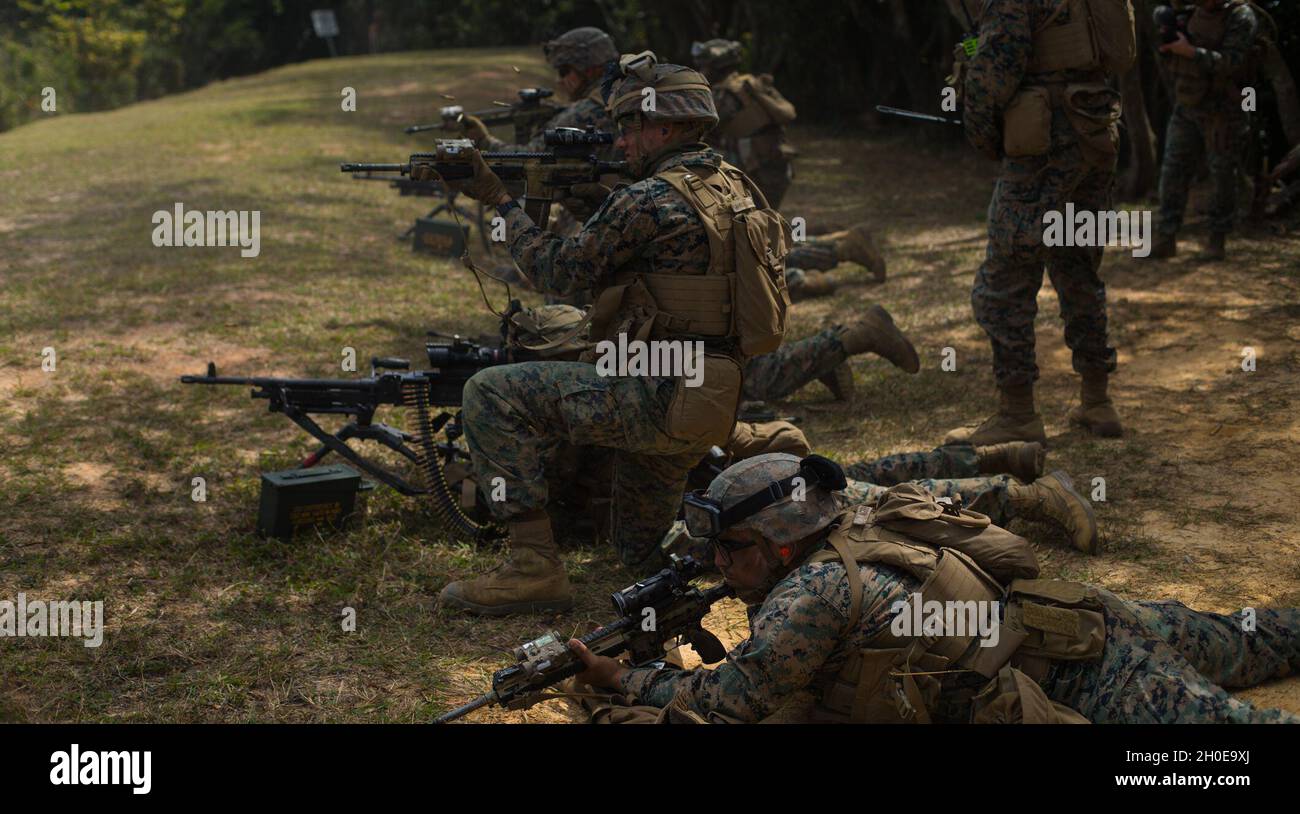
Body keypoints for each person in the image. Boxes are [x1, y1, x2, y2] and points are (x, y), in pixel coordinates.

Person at [417, 53, 791, 616]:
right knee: (639, 558)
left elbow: (554, 271)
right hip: (710, 403)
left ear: (663, 126)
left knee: (489, 391)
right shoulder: (738, 188)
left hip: (656, 397)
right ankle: (750, 527)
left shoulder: (645, 199)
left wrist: (497, 199)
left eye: (630, 128)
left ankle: (533, 568)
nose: (622, 143)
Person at [570, 453, 1300, 724]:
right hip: (1077, 613)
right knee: (1246, 637)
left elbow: (731, 699)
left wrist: (629, 679)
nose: (718, 566)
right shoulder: (851, 504)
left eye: (731, 549)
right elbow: (948, 489)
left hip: (1086, 680)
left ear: (781, 541)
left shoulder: (809, 597)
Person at [944, 0, 1130, 446]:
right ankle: (1097, 400)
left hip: (1044, 144)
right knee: (1078, 268)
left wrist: (985, 134)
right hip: (1095, 130)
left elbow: (996, 66)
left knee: (1005, 279)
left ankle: (1018, 414)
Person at [1150, 0, 1263, 260]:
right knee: (1172, 170)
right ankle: (1166, 237)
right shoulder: (1191, 14)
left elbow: (1232, 63)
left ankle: (1217, 240)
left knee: (1222, 174)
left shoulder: (1240, 16)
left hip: (1224, 111)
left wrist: (1190, 52)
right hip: (1187, 105)